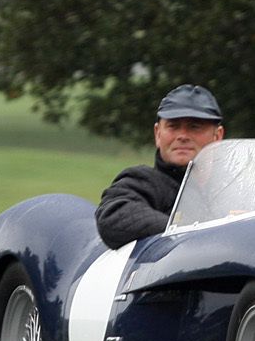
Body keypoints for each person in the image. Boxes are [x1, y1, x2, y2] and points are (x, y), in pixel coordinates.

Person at [95, 84, 224, 247]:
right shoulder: (143, 181)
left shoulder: (233, 188)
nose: (183, 136)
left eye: (195, 127)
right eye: (173, 126)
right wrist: (186, 232)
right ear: (158, 134)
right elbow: (114, 216)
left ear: (217, 136)